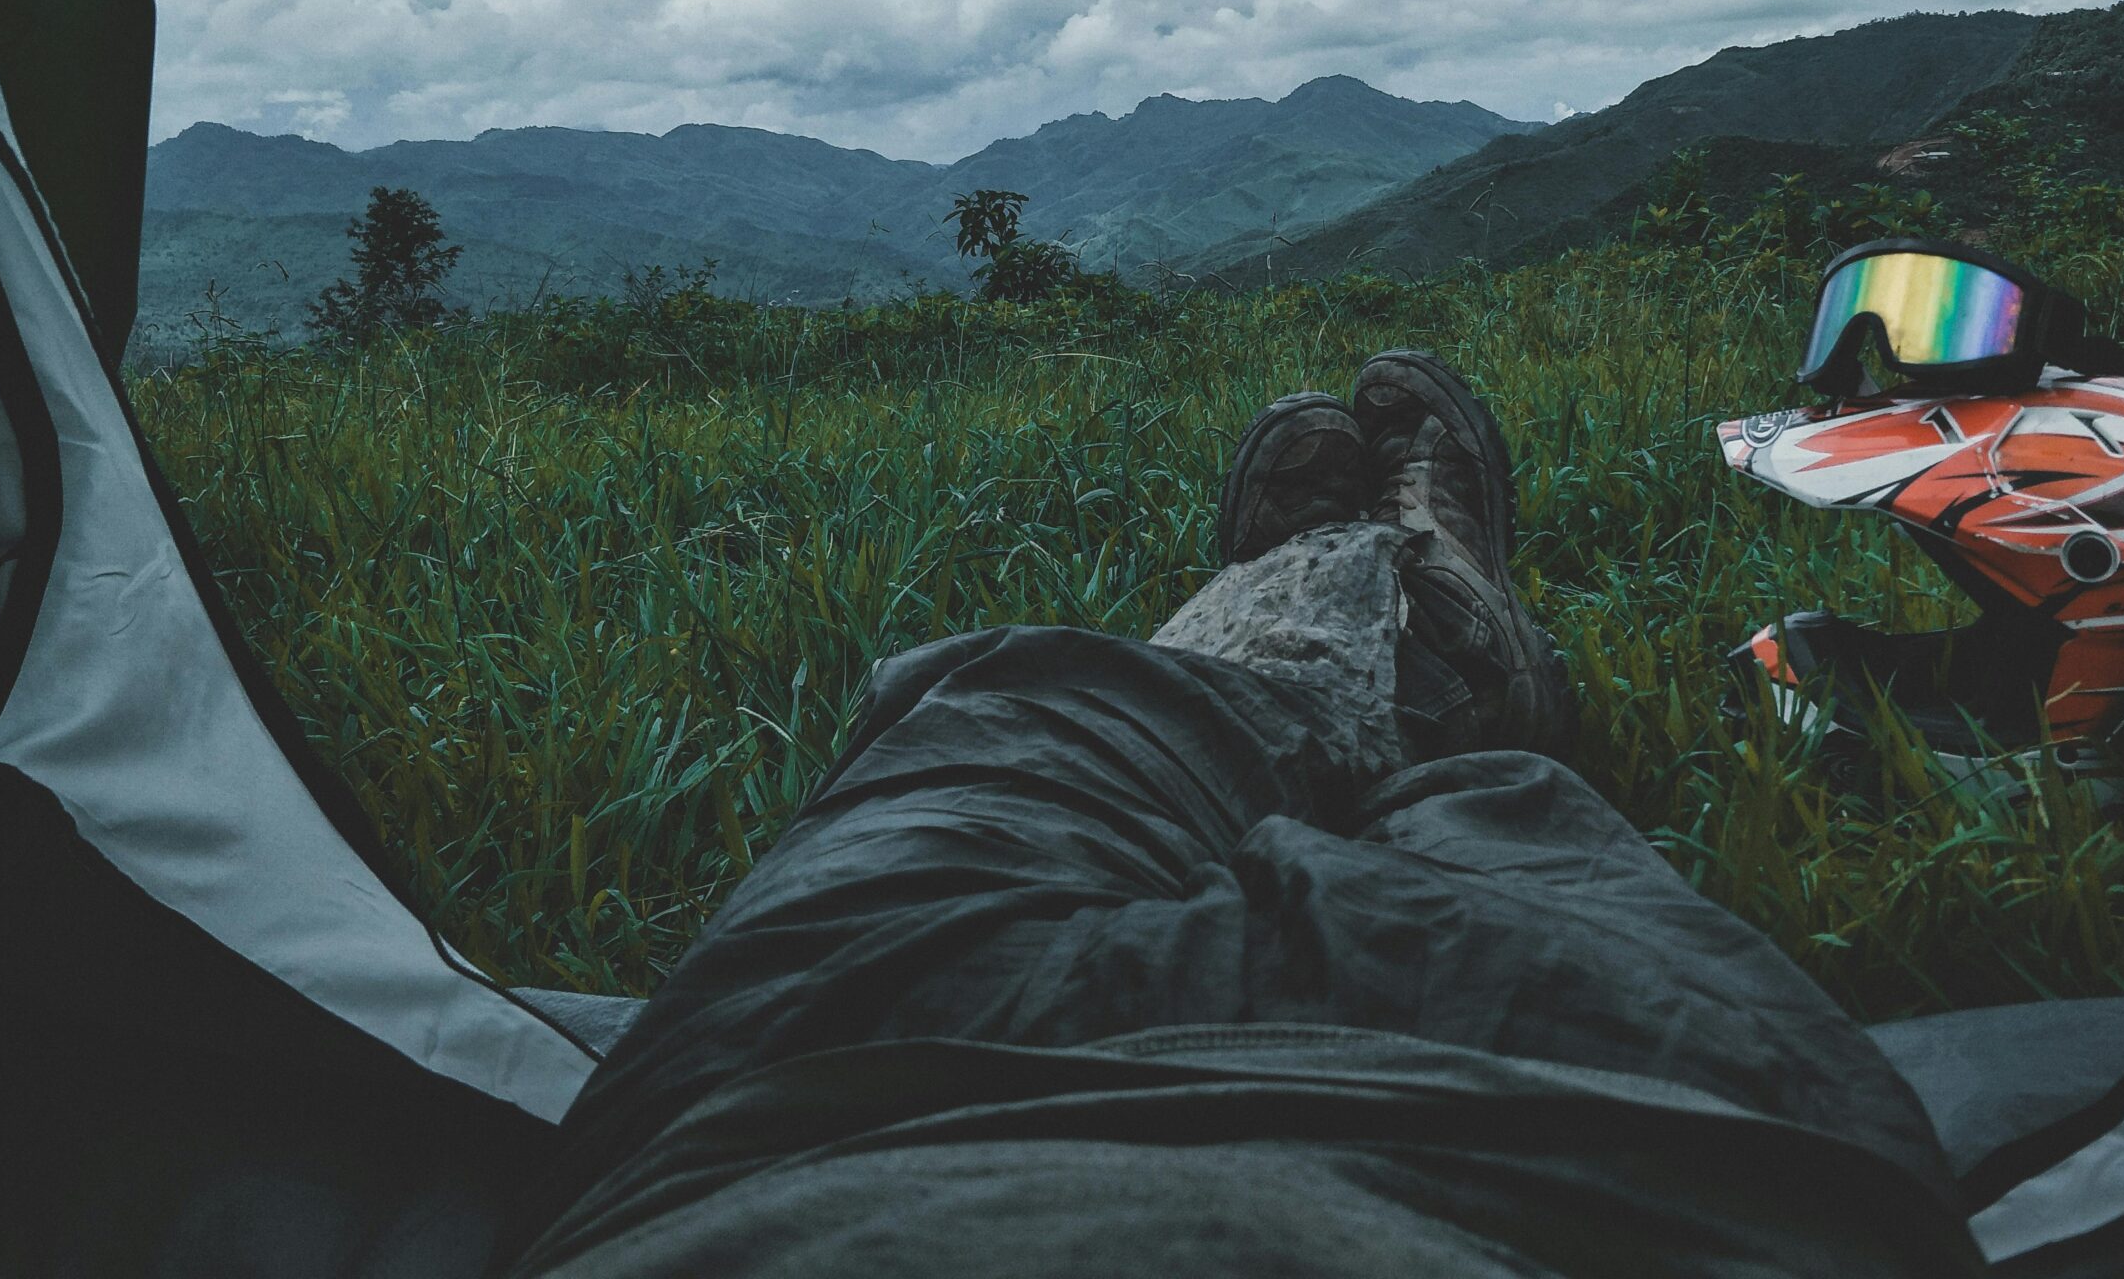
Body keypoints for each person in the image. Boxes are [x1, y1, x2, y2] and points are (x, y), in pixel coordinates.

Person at [499, 350, 1980, 1278]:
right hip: (1593, 1129)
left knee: (1019, 716)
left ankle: (1330, 610)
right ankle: (1405, 619)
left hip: (796, 1106)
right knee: (1490, 808)